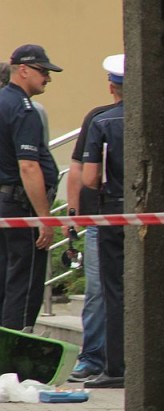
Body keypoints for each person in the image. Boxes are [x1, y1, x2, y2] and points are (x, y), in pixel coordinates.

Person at [66, 55, 123, 382]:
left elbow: (80, 173)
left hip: (102, 217)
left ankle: (94, 359)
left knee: (101, 290)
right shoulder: (100, 119)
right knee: (106, 290)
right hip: (108, 218)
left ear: (111, 86)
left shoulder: (99, 120)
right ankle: (97, 357)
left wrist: (73, 216)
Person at [0, 45, 62, 331]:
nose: (47, 78)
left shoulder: (2, 101)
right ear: (23, 70)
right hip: (21, 206)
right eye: (43, 71)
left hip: (5, 205)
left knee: (6, 278)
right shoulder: (24, 110)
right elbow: (28, 166)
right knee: (24, 285)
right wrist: (43, 218)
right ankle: (14, 359)